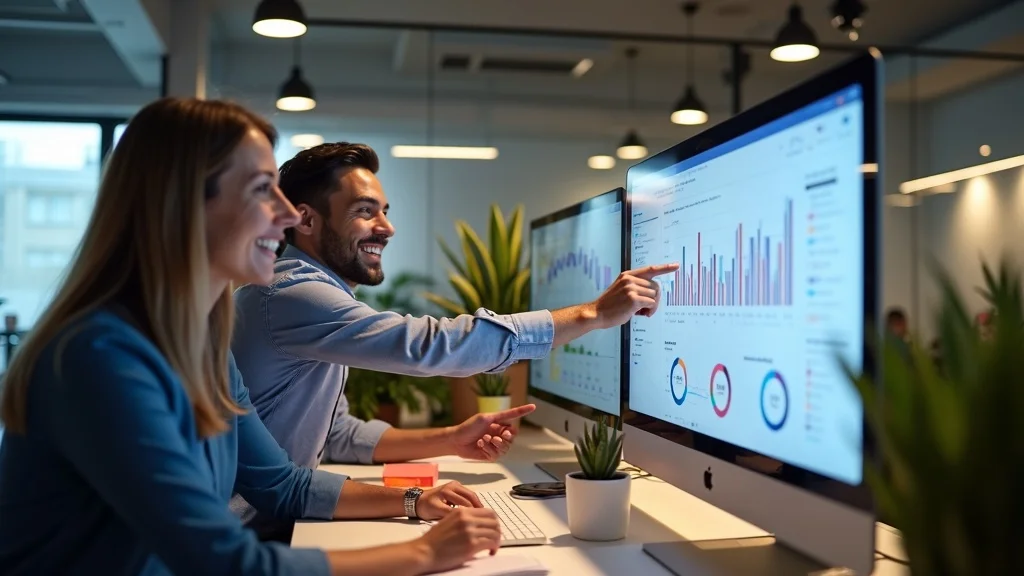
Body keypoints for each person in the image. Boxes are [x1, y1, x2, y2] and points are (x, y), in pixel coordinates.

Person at [0, 98, 500, 576]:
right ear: (183, 203)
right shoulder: (100, 357)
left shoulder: (200, 345)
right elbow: (223, 564)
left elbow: (279, 485)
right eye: (264, 189)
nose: (287, 215)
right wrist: (422, 555)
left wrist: (414, 501)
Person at [231, 141, 678, 479]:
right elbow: (430, 346)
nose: (387, 228)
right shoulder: (291, 293)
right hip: (246, 536)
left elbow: (338, 434)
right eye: (364, 212)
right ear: (306, 221)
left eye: (384, 211)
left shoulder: (302, 295)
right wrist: (593, 315)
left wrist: (452, 439)